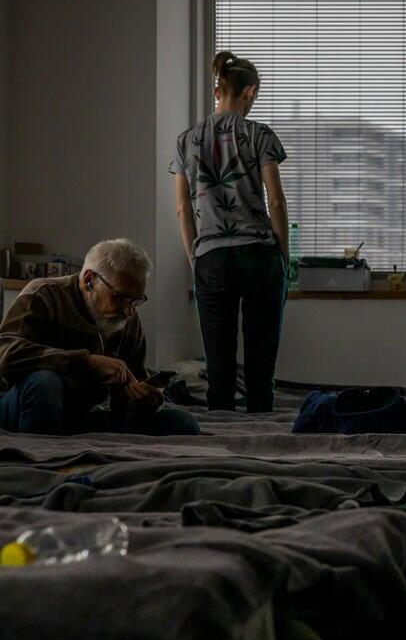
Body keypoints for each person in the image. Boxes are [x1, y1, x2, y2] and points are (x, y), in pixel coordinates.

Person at [173, 51, 289, 412]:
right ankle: (262, 433)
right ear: (249, 92)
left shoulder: (186, 141)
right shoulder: (260, 135)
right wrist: (282, 256)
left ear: (217, 89)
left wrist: (196, 258)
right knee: (260, 366)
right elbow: (277, 202)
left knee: (218, 371)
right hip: (257, 254)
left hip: (211, 257)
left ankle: (220, 443)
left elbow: (182, 208)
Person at [0, 239, 199, 436]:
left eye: (136, 300)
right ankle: (46, 455)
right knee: (44, 382)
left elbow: (129, 394)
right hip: (28, 405)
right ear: (89, 280)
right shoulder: (44, 295)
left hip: (86, 414)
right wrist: (86, 362)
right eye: (120, 298)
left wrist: (146, 397)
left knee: (182, 423)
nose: (129, 311)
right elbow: (5, 352)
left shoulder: (127, 318)